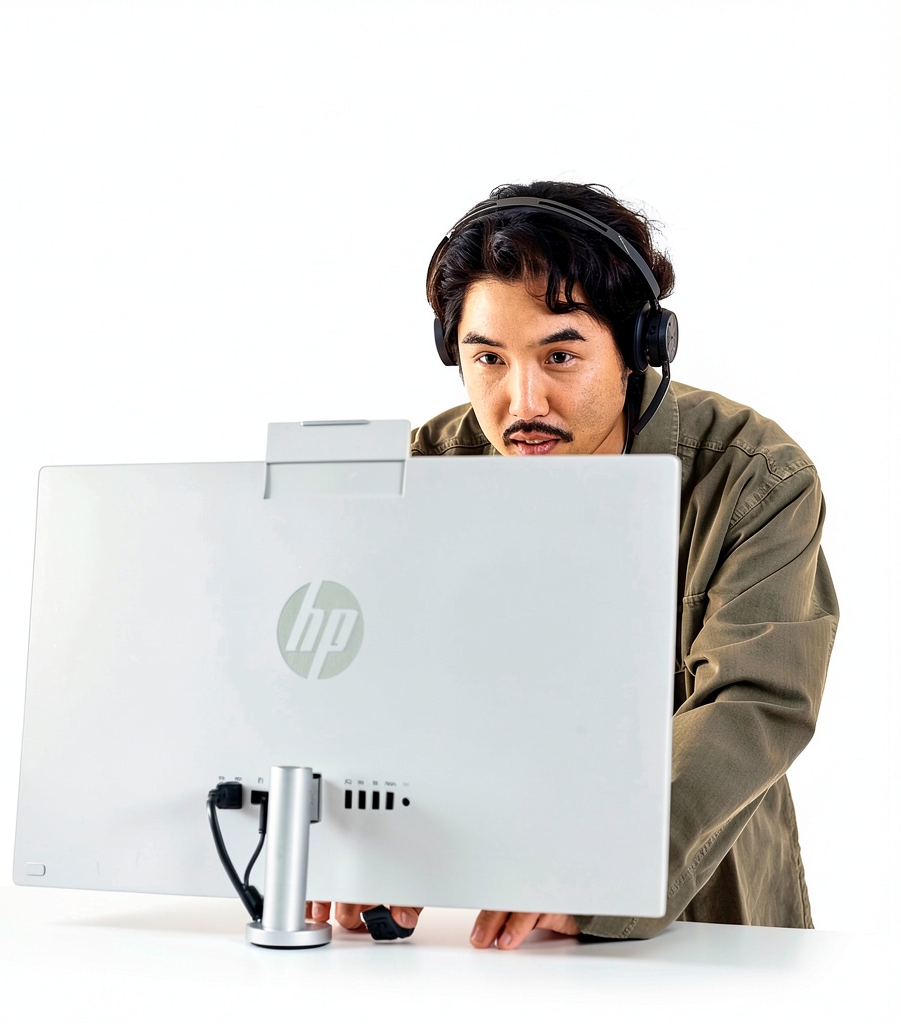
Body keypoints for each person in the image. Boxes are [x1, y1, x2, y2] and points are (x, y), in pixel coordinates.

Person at [308, 181, 839, 948]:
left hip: (698, 923)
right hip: (476, 941)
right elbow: (360, 682)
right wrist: (344, 839)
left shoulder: (752, 477)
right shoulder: (426, 472)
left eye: (559, 355)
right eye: (487, 358)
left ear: (637, 349)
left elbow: (754, 704)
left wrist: (597, 872)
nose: (523, 401)